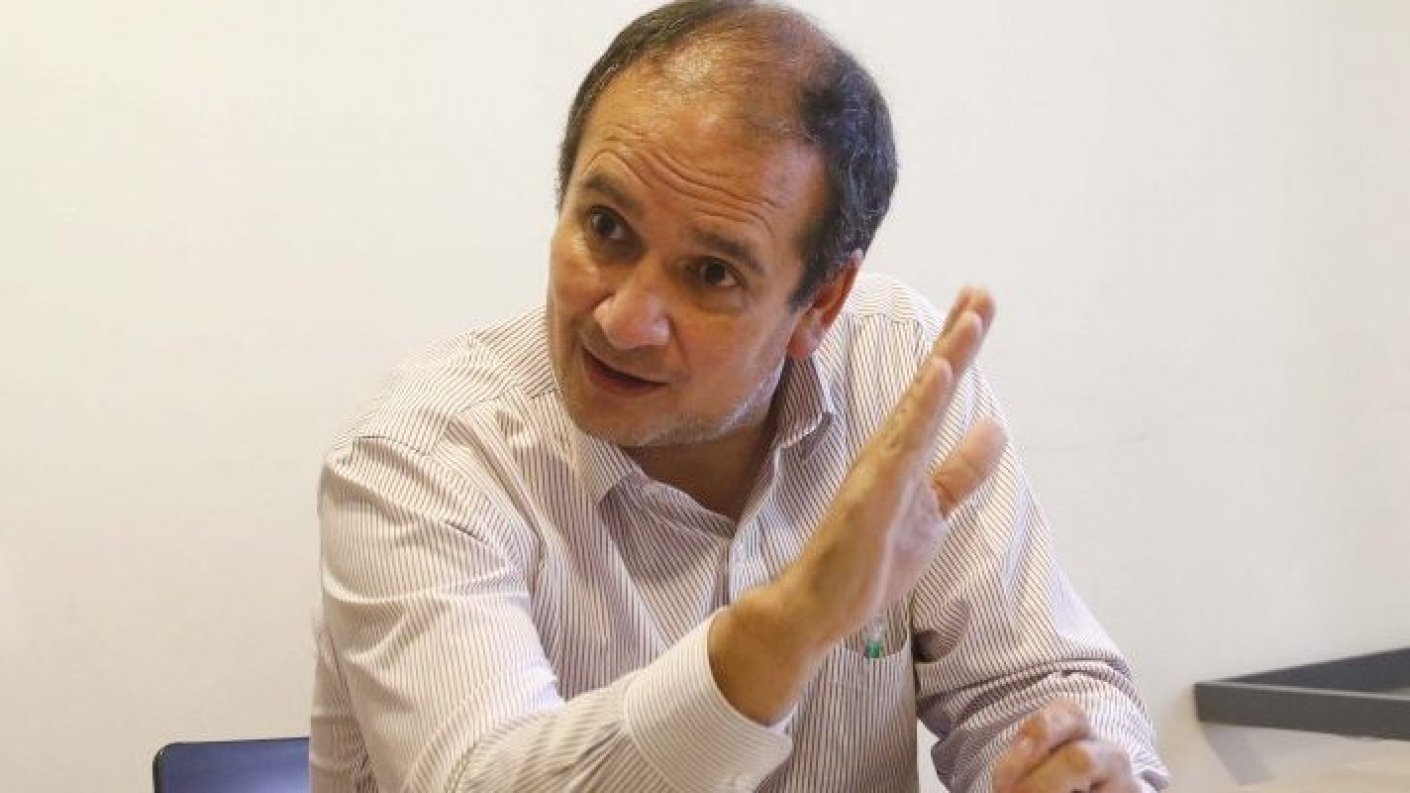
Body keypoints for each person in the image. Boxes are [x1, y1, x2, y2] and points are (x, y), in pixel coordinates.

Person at [310, 2, 1170, 791]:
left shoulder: (898, 370)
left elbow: (1034, 680)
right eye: (606, 228)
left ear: (820, 304)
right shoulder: (421, 454)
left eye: (711, 273)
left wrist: (1073, 763)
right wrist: (787, 628)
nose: (624, 319)